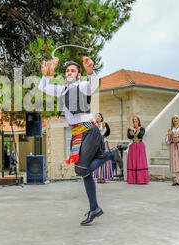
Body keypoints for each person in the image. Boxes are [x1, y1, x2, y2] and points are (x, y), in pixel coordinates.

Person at [38, 56, 123, 226]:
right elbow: (43, 87)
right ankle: (95, 208)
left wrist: (90, 70)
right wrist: (48, 73)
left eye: (73, 70)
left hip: (89, 131)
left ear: (78, 75)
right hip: (77, 134)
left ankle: (110, 155)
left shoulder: (82, 86)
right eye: (67, 70)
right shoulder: (61, 89)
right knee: (84, 173)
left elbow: (94, 84)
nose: (69, 72)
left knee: (81, 169)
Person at [127, 116, 149, 184]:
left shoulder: (142, 129)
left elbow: (140, 135)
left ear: (138, 121)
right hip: (133, 146)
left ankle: (141, 179)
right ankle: (132, 179)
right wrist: (131, 130)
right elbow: (130, 136)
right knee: (133, 161)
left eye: (136, 119)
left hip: (140, 145)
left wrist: (134, 129)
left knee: (140, 161)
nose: (134, 121)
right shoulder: (130, 129)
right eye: (133, 120)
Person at [93, 113, 113, 183]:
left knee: (104, 159)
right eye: (96, 116)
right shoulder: (94, 126)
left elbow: (107, 133)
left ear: (101, 118)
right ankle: (98, 176)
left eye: (99, 116)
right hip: (97, 144)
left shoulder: (105, 124)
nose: (97, 117)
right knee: (97, 159)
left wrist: (104, 128)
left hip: (104, 143)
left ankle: (103, 176)